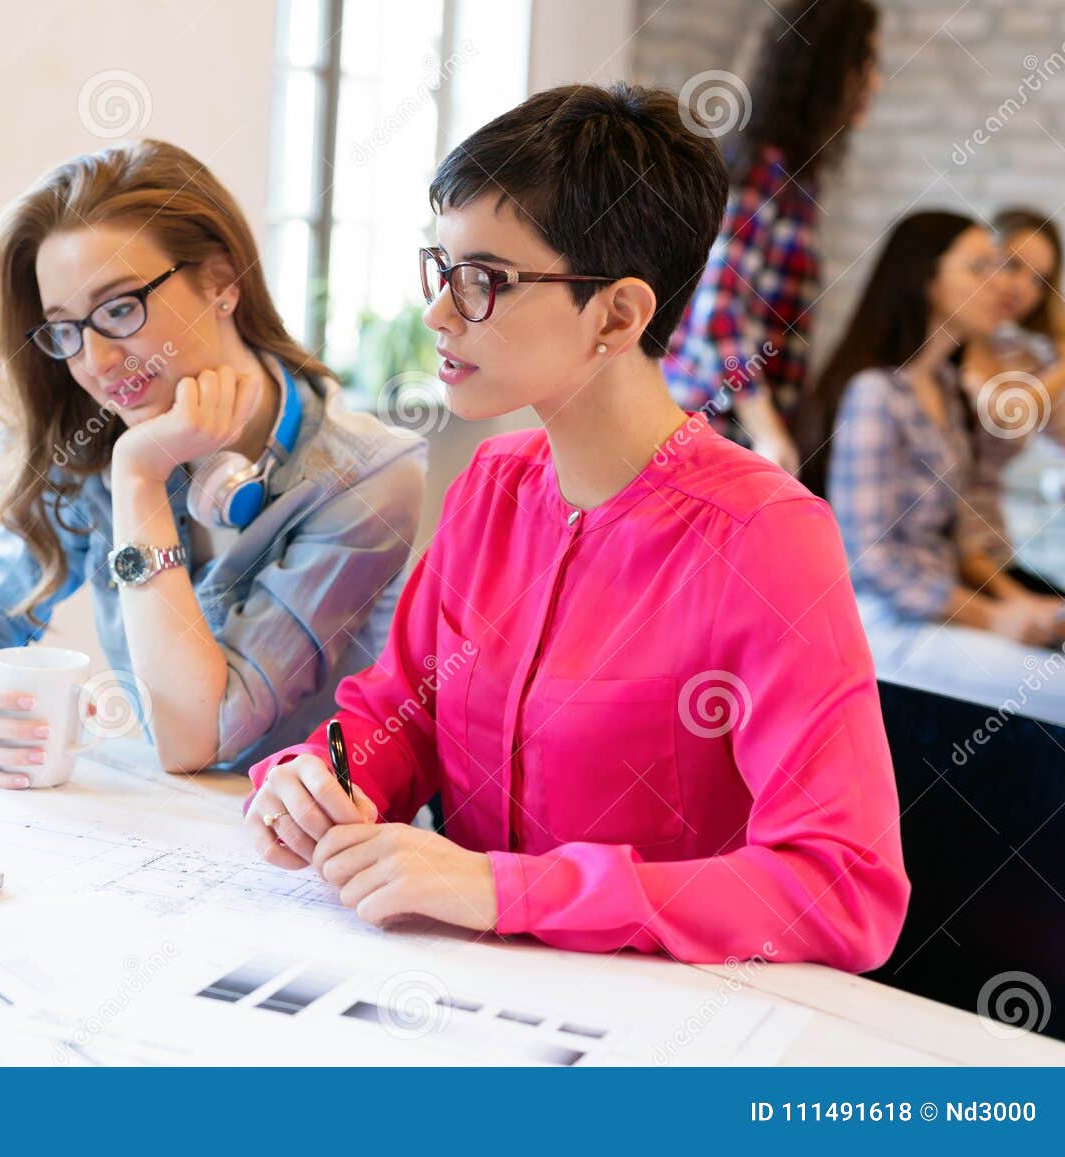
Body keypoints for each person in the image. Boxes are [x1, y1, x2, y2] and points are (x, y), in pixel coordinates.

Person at [242, 85, 910, 971]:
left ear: (619, 315)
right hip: (461, 995)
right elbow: (400, 715)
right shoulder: (492, 485)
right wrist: (323, 780)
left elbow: (843, 888)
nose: (439, 313)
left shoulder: (765, 535)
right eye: (440, 270)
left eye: (483, 280)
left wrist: (501, 887)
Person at [0, 140, 426, 785]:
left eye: (121, 309)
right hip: (175, 831)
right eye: (65, 329)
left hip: (312, 851)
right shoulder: (98, 445)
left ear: (221, 282)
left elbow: (198, 739)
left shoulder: (366, 476)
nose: (95, 363)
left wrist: (140, 479)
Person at [798, 211, 1065, 724]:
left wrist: (1018, 608)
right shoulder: (875, 393)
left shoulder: (943, 387)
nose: (1001, 286)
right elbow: (871, 558)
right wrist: (993, 617)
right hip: (890, 628)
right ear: (928, 280)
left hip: (942, 612)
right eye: (980, 268)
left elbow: (959, 534)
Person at [664, 0, 881, 474]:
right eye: (866, 62)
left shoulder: (798, 180)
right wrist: (768, 432)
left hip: (731, 431)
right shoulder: (765, 171)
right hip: (706, 433)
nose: (875, 82)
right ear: (828, 70)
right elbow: (719, 313)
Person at [959, 207, 1065, 597]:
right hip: (953, 557)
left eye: (1039, 281)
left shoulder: (1020, 356)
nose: (1022, 288)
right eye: (1013, 265)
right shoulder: (951, 344)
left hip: (993, 550)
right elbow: (1005, 415)